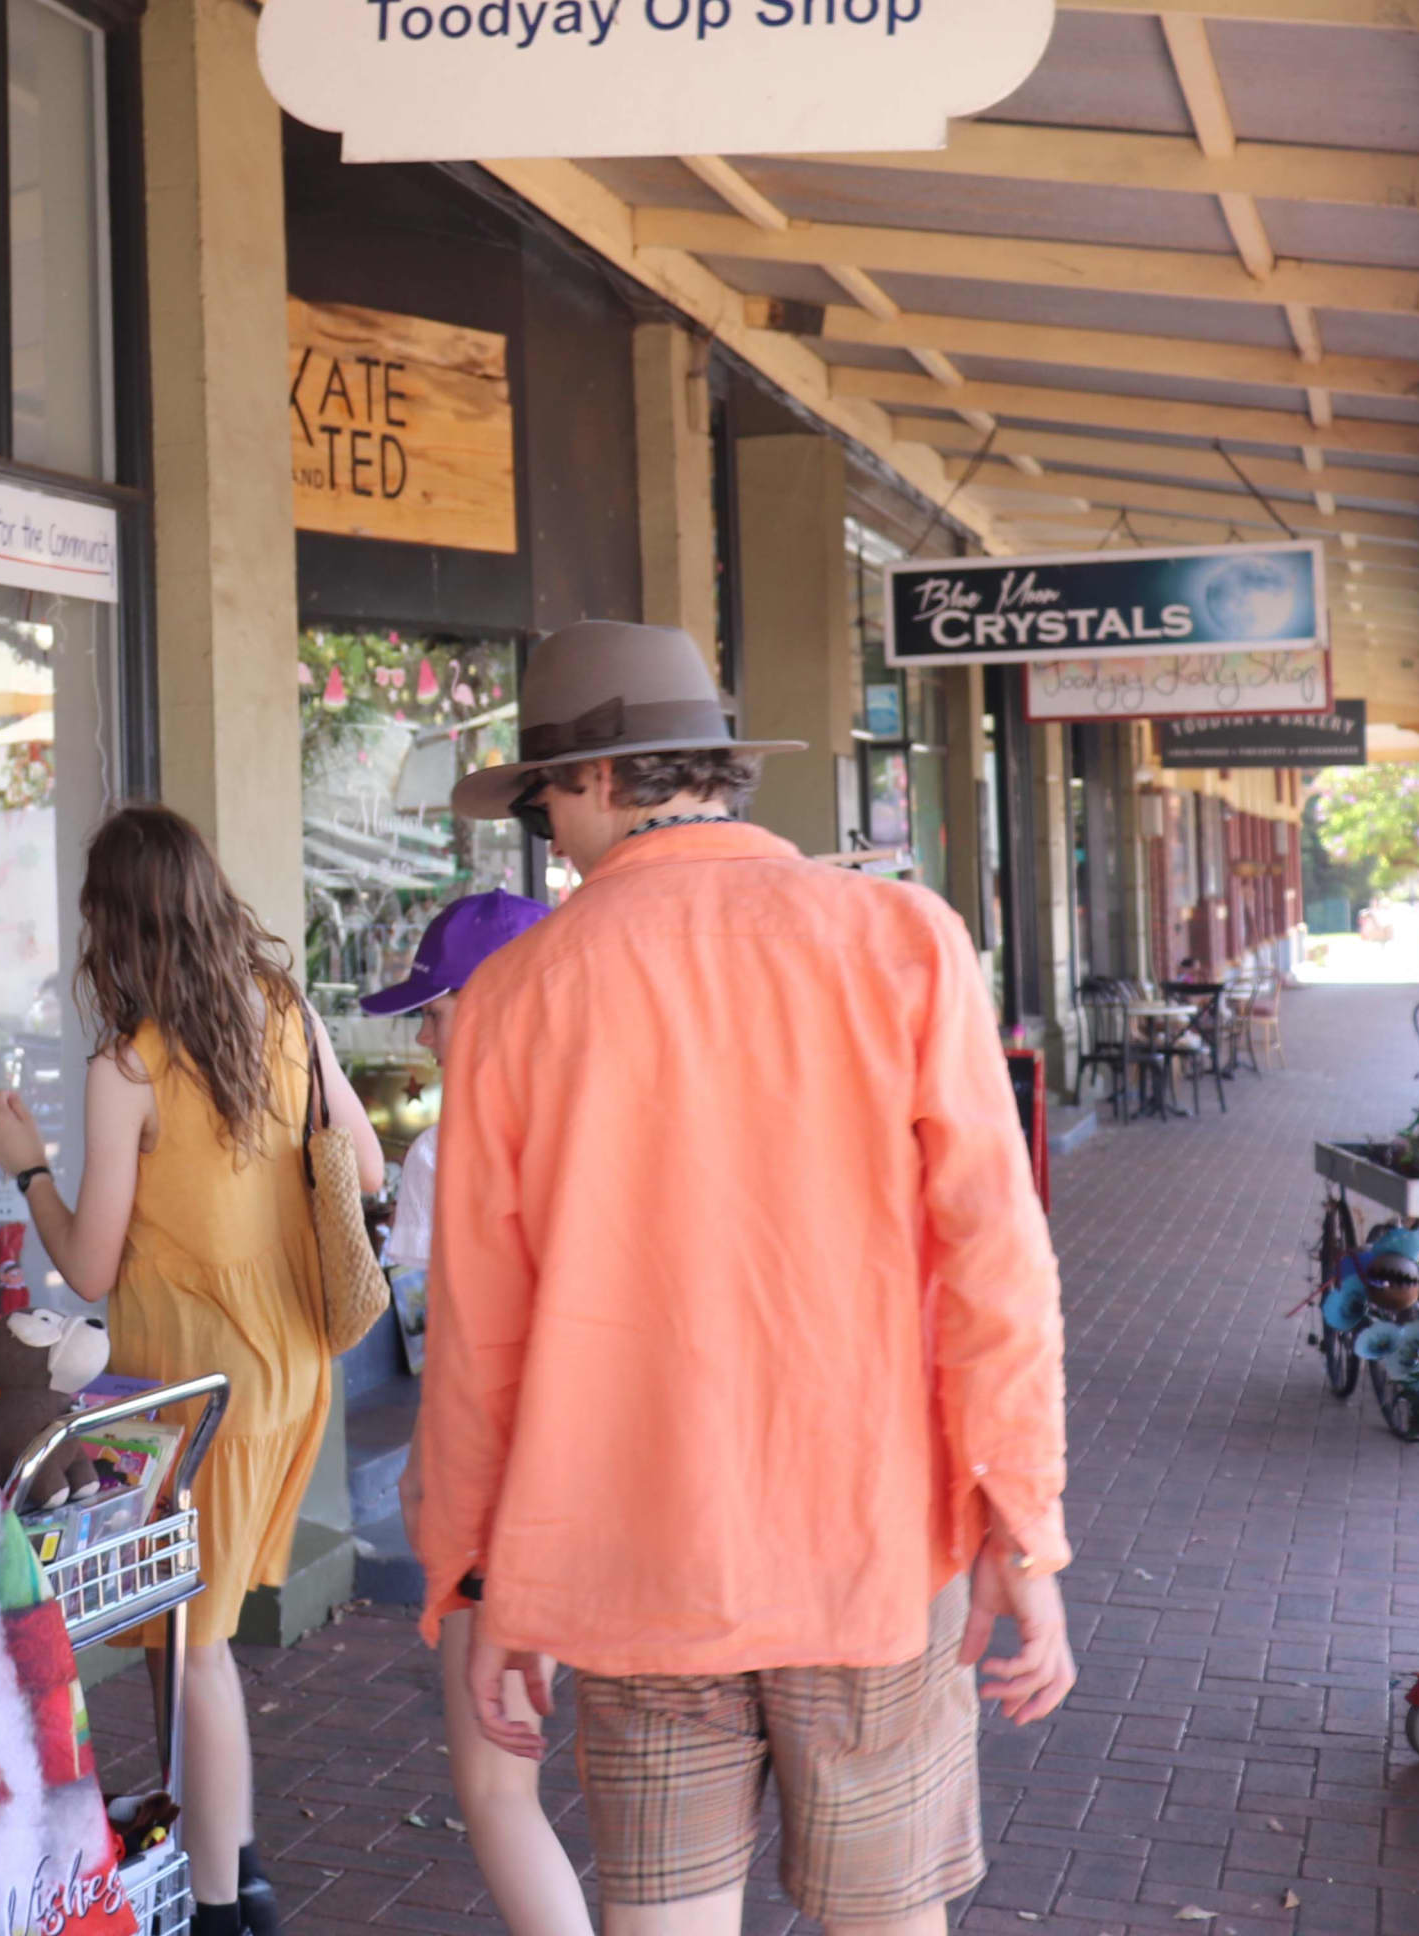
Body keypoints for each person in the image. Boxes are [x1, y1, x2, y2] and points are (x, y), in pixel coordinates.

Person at [417, 621, 1073, 1936]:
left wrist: (481, 1581)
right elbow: (997, 1266)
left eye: (545, 799)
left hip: (632, 1559)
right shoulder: (902, 939)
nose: (551, 834)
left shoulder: (515, 997)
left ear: (603, 777)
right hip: (871, 1545)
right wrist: (1021, 1528)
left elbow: (480, 1335)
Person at [0, 804, 385, 1936]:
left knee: (196, 1649)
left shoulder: (129, 1066)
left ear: (114, 925)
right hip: (291, 1370)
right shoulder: (286, 1010)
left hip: (194, 1395)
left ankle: (224, 1908)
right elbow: (361, 1166)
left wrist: (29, 1170)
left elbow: (88, 1263)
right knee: (182, 1632)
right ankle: (231, 1856)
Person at [361, 890, 589, 1936]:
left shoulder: (442, 1152)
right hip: (630, 1489)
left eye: (435, 1009)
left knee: (499, 1790)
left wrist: (429, 1487)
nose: (422, 1035)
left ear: (494, 1002)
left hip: (503, 1497)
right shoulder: (621, 1129)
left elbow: (445, 1348)